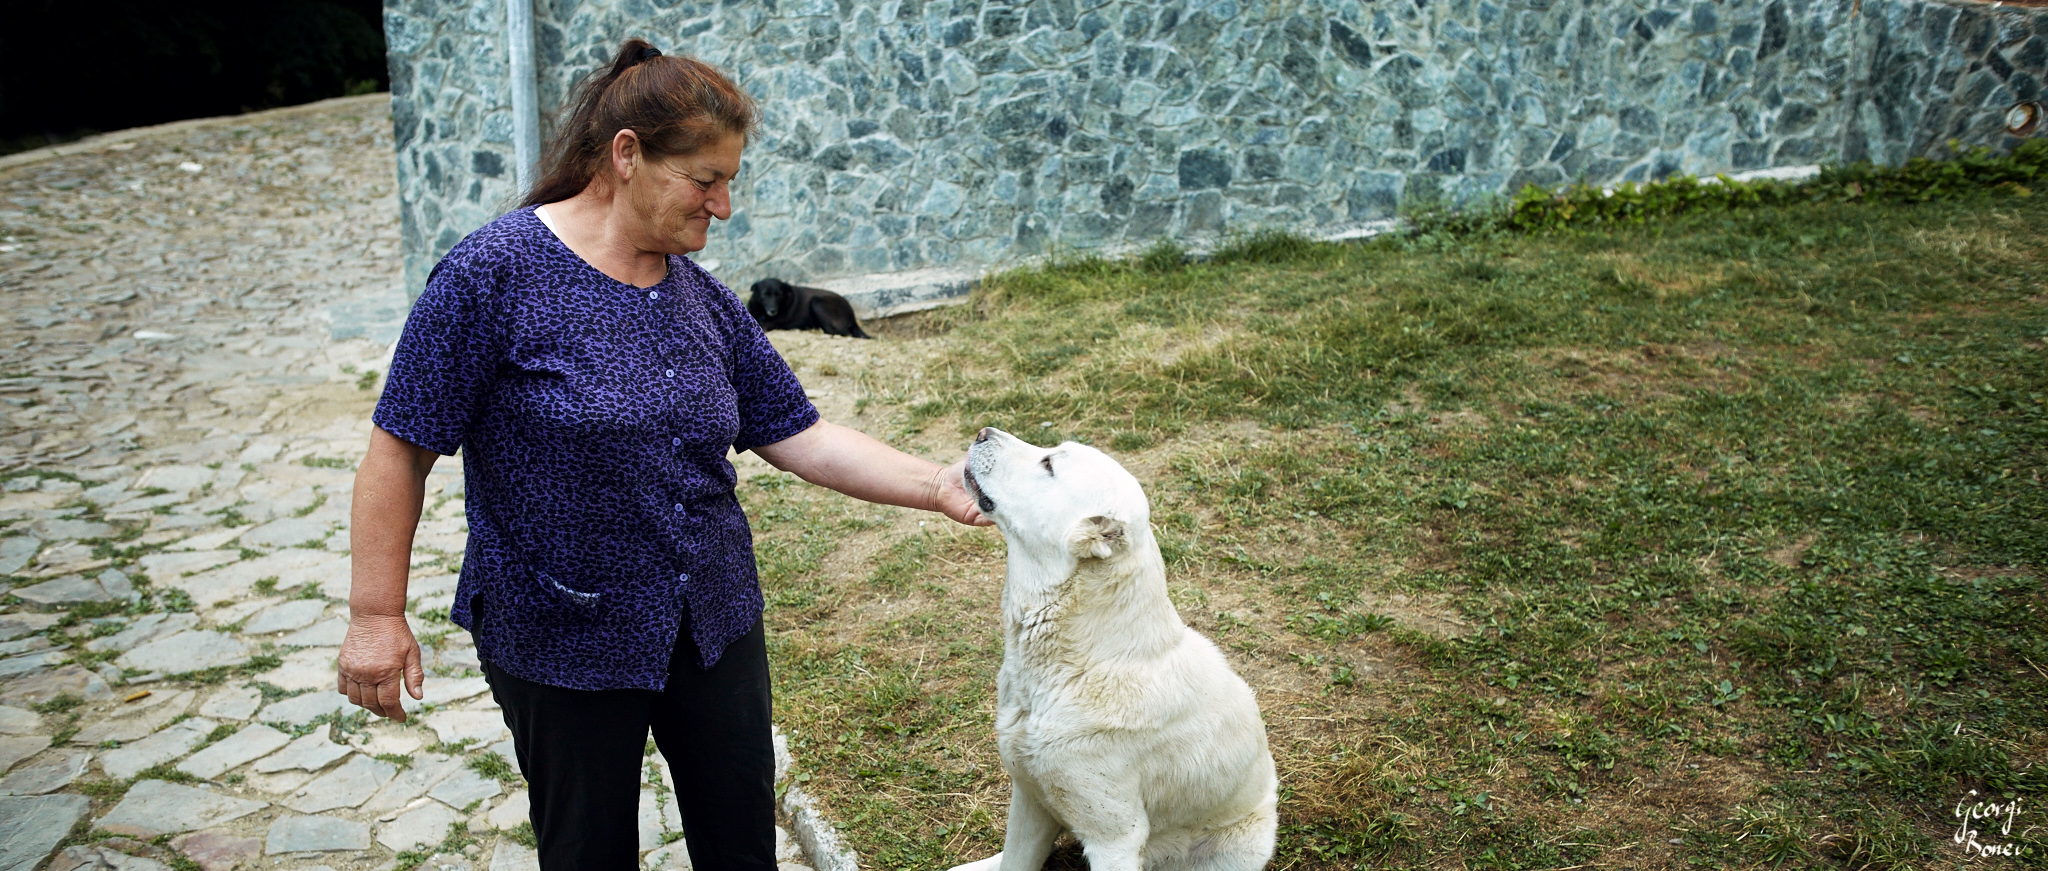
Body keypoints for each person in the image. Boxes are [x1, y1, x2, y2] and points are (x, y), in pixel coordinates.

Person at [337, 37, 987, 871]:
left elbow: (800, 432)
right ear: (627, 155)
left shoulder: (699, 297)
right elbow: (401, 447)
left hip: (712, 619)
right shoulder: (492, 275)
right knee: (588, 853)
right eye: (705, 181)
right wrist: (375, 615)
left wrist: (937, 484)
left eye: (729, 184)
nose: (721, 207)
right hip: (560, 632)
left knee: (740, 848)